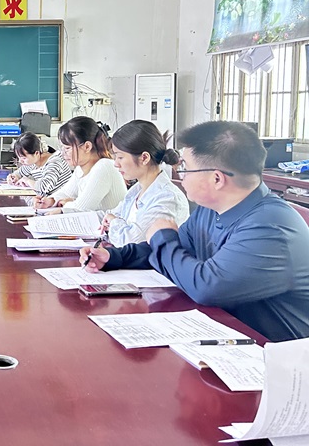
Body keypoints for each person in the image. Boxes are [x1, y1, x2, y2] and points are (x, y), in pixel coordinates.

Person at [80, 121, 309, 342]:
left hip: (271, 353)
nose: (181, 175)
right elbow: (173, 249)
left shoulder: (271, 226)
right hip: (223, 332)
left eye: (187, 169)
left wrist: (162, 236)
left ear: (217, 178)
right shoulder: (211, 210)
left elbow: (206, 286)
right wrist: (114, 257)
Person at [101, 120, 190, 246]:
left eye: (120, 157)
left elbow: (130, 241)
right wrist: (112, 220)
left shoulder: (167, 198)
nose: (116, 164)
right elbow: (112, 215)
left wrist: (113, 222)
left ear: (144, 158)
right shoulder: (137, 189)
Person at [34, 116, 126, 214]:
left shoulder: (104, 166)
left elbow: (81, 208)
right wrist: (50, 200)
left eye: (67, 148)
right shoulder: (80, 168)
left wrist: (66, 204)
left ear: (87, 146)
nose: (63, 153)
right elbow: (67, 192)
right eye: (62, 148)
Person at [6, 132, 71, 196]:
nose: (20, 161)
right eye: (19, 157)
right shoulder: (33, 162)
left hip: (63, 200)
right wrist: (14, 177)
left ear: (36, 153)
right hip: (47, 199)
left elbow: (45, 187)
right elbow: (20, 172)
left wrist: (28, 181)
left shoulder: (54, 162)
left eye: (23, 158)